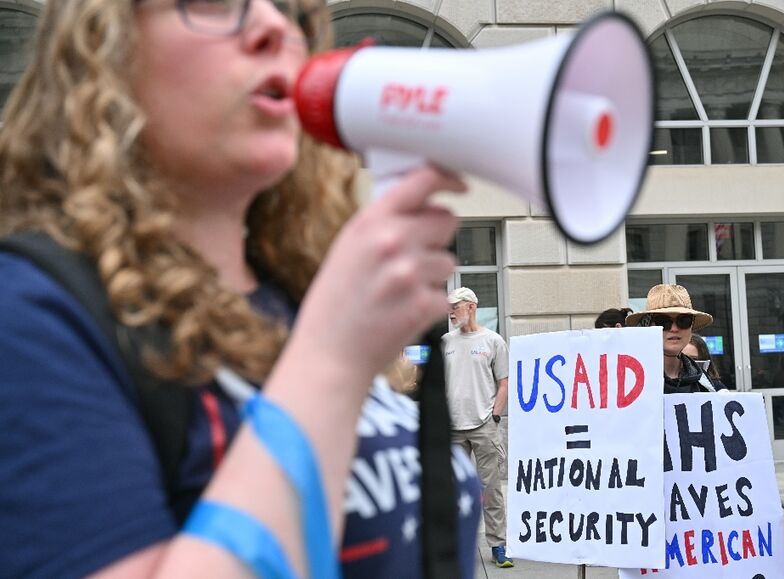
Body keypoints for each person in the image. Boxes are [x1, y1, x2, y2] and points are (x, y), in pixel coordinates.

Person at [0, 1, 482, 578]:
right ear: (103, 50)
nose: (274, 26)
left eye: (290, 11)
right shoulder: (32, 317)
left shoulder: (292, 289)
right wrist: (331, 359)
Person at [442, 287, 513, 568]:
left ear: (471, 307)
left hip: (484, 425)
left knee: (491, 489)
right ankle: (457, 546)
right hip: (452, 427)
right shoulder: (445, 342)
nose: (450, 312)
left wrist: (495, 415)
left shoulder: (493, 341)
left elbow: (504, 383)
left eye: (455, 307)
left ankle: (498, 546)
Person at [626, 284, 722, 394]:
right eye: (663, 321)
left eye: (684, 321)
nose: (674, 329)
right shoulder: (629, 379)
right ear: (647, 325)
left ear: (691, 327)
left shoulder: (703, 382)